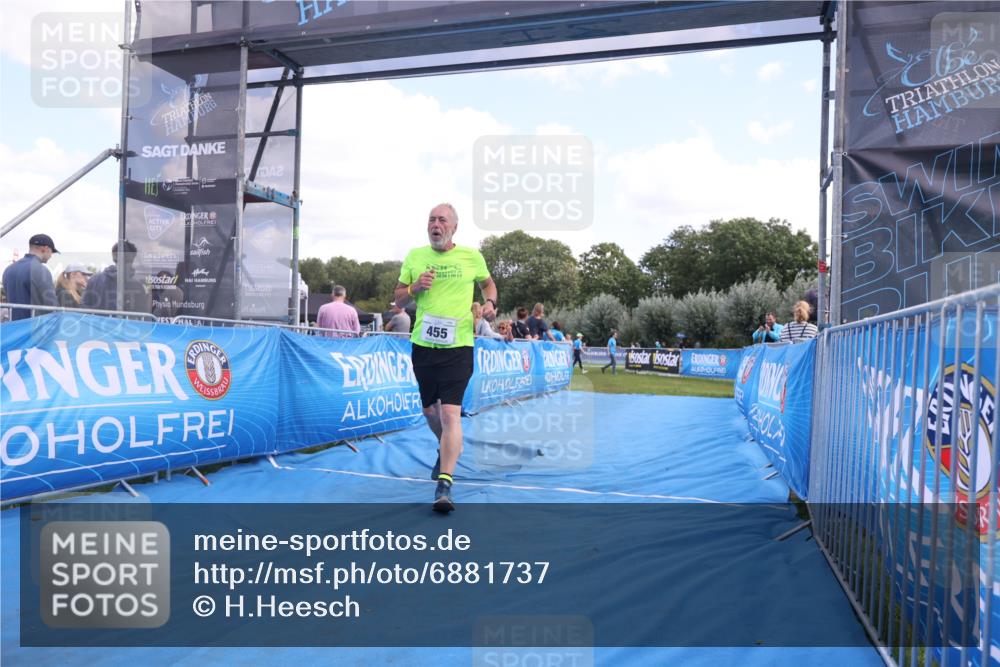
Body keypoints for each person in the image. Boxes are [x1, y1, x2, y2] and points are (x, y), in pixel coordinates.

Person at [394, 203, 497, 513]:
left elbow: (488, 283)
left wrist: (489, 301)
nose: (435, 224)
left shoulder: (470, 256)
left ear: (453, 227)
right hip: (423, 345)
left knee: (451, 413)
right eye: (431, 220)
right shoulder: (415, 256)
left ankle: (445, 483)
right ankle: (446, 448)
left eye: (442, 220)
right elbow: (399, 296)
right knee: (430, 413)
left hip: (459, 346)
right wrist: (414, 286)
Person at [82, 240, 149, 313]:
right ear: (131, 259)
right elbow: (141, 316)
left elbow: (84, 308)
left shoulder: (94, 280)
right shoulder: (136, 286)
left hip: (97, 324)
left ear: (114, 257)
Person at [2, 233, 58, 320]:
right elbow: (52, 306)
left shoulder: (9, 269)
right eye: (51, 252)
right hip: (34, 328)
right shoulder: (41, 270)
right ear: (45, 249)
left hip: (13, 327)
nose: (51, 256)